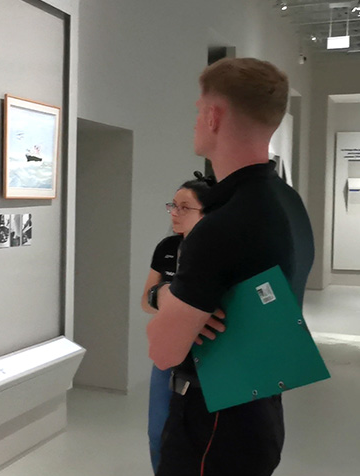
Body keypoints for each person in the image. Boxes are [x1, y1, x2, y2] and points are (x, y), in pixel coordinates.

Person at [147, 58, 314, 476]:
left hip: (212, 429)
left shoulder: (221, 226)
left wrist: (168, 298)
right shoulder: (288, 203)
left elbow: (163, 350)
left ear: (213, 115)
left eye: (197, 109)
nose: (195, 121)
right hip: (261, 411)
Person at [141, 174, 212, 473]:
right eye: (173, 205)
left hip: (209, 355)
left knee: (206, 437)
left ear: (207, 213)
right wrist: (170, 298)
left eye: (185, 207)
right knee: (158, 432)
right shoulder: (167, 247)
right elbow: (146, 300)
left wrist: (168, 301)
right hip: (169, 350)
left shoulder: (219, 252)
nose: (174, 212)